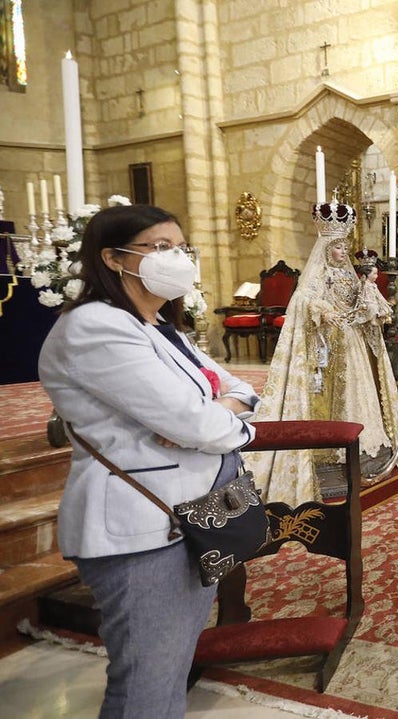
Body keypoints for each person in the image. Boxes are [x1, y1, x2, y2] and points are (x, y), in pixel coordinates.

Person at [38, 204, 260, 718]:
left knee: (169, 670)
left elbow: (240, 390)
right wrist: (229, 425)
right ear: (114, 258)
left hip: (189, 518)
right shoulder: (94, 326)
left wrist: (220, 416)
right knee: (146, 682)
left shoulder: (160, 325)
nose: (177, 258)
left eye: (181, 248)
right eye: (161, 247)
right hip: (141, 529)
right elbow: (201, 425)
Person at [251, 204, 398, 505]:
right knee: (329, 395)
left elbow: (361, 304)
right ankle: (330, 452)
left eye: (345, 246)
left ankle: (364, 449)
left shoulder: (348, 276)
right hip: (328, 344)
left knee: (359, 391)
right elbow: (305, 299)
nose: (343, 252)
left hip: (352, 341)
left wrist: (370, 305)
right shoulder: (320, 275)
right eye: (338, 247)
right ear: (327, 248)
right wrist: (324, 311)